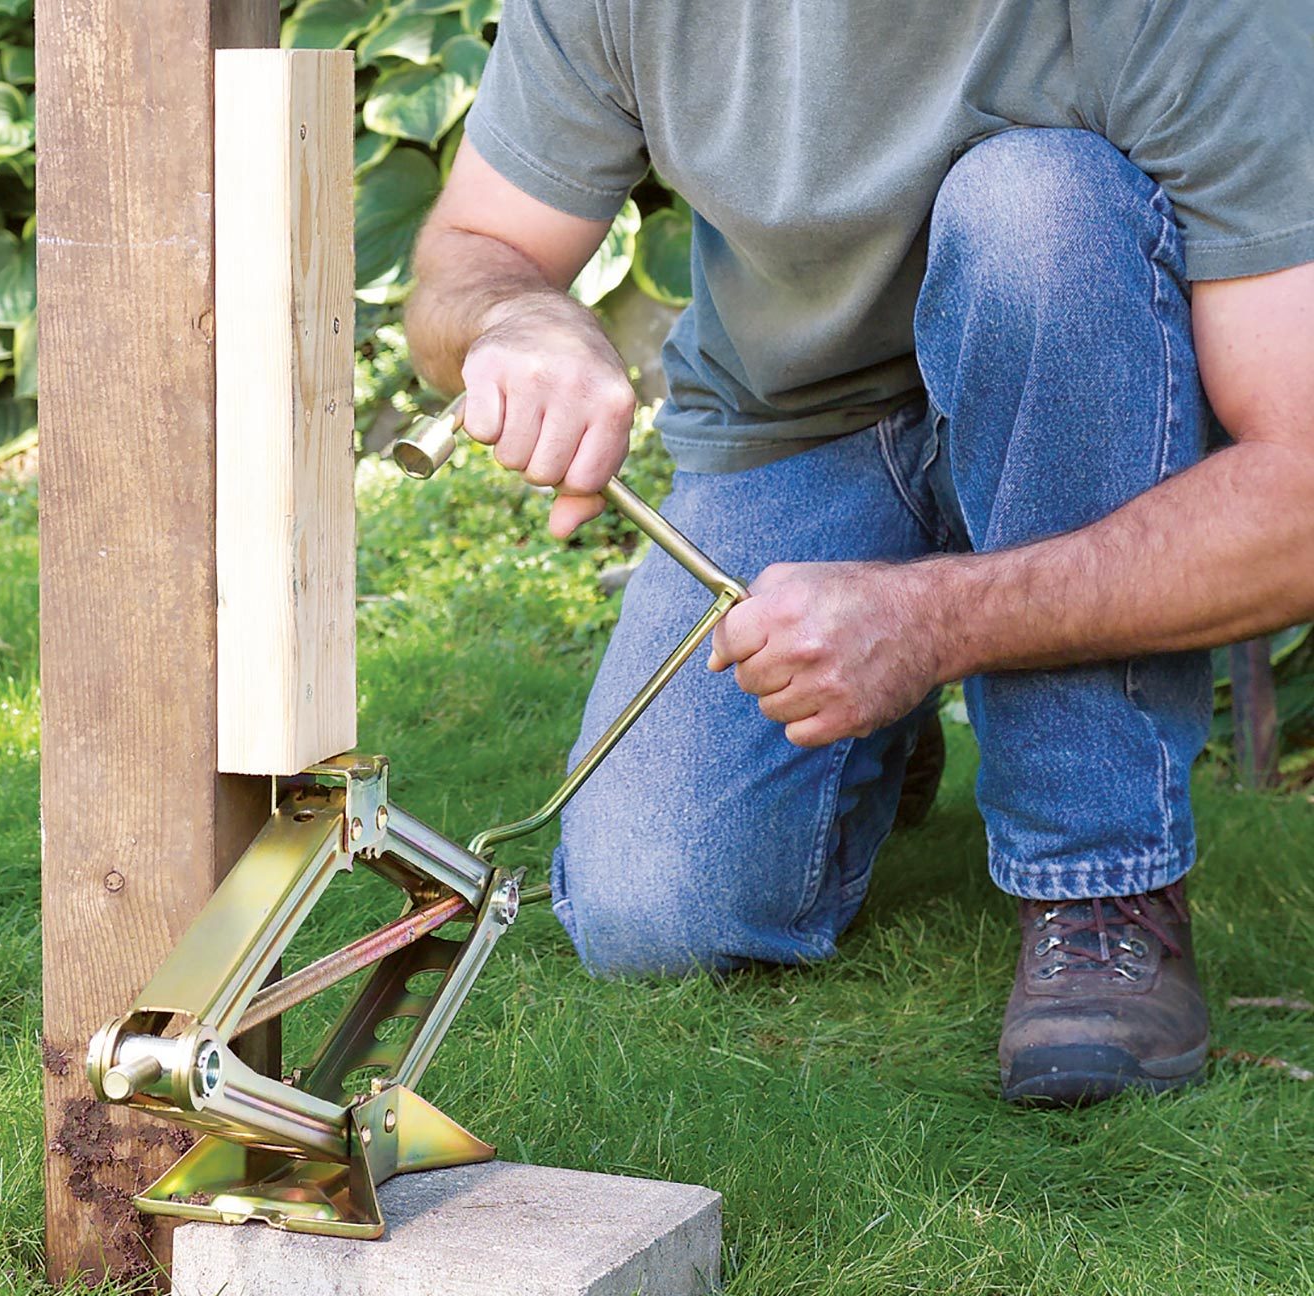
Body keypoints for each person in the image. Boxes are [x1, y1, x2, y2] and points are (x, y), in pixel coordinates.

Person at [405, 0, 1314, 1106]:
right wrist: (514, 318)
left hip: (1074, 394)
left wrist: (930, 622)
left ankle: (1099, 878)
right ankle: (878, 726)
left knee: (1036, 204)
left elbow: (1300, 487)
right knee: (650, 910)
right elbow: (475, 247)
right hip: (803, 425)